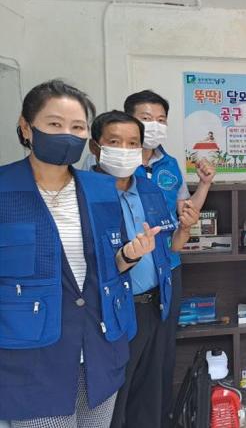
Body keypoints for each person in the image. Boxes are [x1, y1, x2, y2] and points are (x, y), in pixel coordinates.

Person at [0, 80, 158, 428]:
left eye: (77, 127)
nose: (67, 135)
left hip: (100, 348)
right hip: (32, 358)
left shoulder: (101, 188)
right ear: (26, 127)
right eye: (55, 124)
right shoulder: (4, 188)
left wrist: (130, 256)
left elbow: (109, 267)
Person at [87, 110, 199, 428]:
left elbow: (170, 247)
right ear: (95, 147)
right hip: (111, 311)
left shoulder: (149, 190)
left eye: (132, 143)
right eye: (114, 142)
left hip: (154, 304)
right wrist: (126, 257)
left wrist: (185, 228)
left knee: (149, 390)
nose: (125, 150)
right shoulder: (84, 192)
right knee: (114, 395)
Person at [123, 90, 215, 425]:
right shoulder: (109, 165)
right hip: (127, 271)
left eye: (161, 119)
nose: (154, 125)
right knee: (127, 358)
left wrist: (204, 185)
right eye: (146, 118)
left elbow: (185, 213)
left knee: (161, 354)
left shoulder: (170, 165)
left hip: (167, 268)